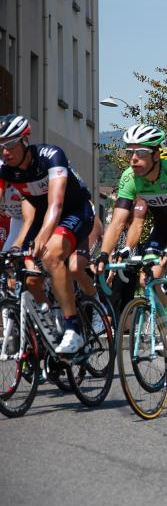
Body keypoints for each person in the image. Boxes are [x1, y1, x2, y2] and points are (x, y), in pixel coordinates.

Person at [97, 124, 167, 367]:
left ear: (157, 154)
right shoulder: (130, 177)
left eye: (141, 153)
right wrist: (104, 254)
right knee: (148, 276)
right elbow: (118, 222)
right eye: (130, 153)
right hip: (162, 225)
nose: (134, 158)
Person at [0, 114, 95, 354]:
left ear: (24, 140)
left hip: (74, 211)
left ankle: (74, 328)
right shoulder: (6, 170)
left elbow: (56, 205)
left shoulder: (51, 156)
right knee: (30, 277)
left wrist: (41, 240)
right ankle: (52, 324)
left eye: (10, 145)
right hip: (42, 216)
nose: (6, 152)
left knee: (51, 255)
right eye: (0, 147)